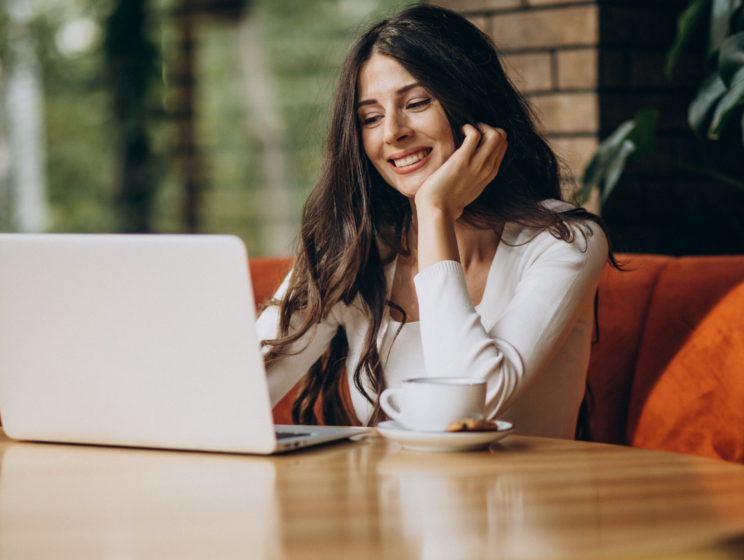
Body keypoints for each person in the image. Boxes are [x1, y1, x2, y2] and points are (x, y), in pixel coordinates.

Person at [255, 5, 617, 439]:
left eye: (416, 103)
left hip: (517, 485)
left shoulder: (566, 241)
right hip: (386, 485)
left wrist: (435, 212)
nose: (392, 132)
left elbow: (469, 405)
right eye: (371, 118)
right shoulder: (359, 249)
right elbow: (239, 392)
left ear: (470, 101)